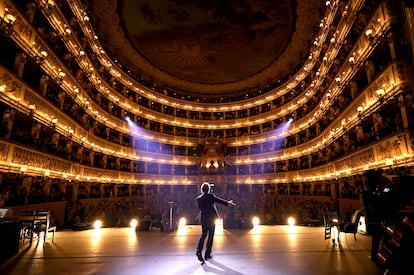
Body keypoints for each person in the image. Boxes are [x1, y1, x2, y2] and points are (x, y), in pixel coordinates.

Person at [196, 182, 235, 263]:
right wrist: (227, 203)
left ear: (202, 189)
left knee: (203, 235)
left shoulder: (198, 199)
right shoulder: (211, 196)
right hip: (211, 219)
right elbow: (219, 200)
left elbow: (201, 209)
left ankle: (199, 251)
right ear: (209, 189)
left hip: (204, 219)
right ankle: (207, 254)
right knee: (211, 236)